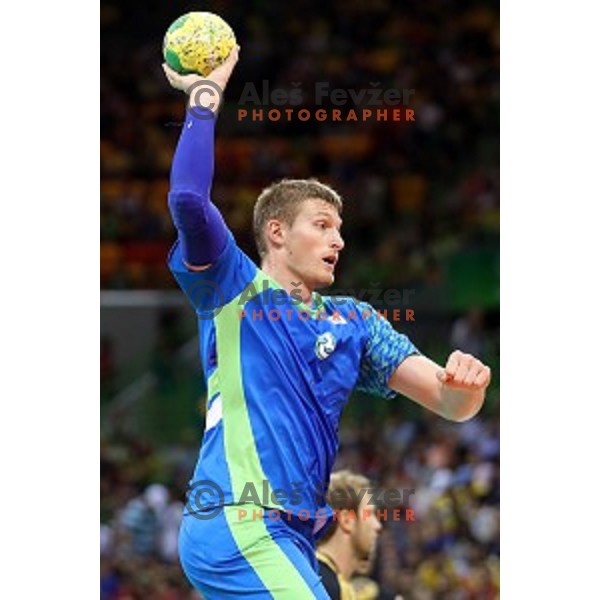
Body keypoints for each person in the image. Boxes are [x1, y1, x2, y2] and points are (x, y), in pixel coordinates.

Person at [162, 47, 491, 599]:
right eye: (322, 225)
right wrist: (204, 96)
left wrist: (466, 387)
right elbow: (189, 199)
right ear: (275, 233)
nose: (339, 240)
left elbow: (447, 402)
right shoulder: (234, 289)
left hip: (292, 534)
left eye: (341, 229)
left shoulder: (356, 322)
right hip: (239, 518)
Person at [316, 470, 383, 600]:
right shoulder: (322, 586)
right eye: (369, 513)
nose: (377, 525)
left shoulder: (324, 580)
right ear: (347, 520)